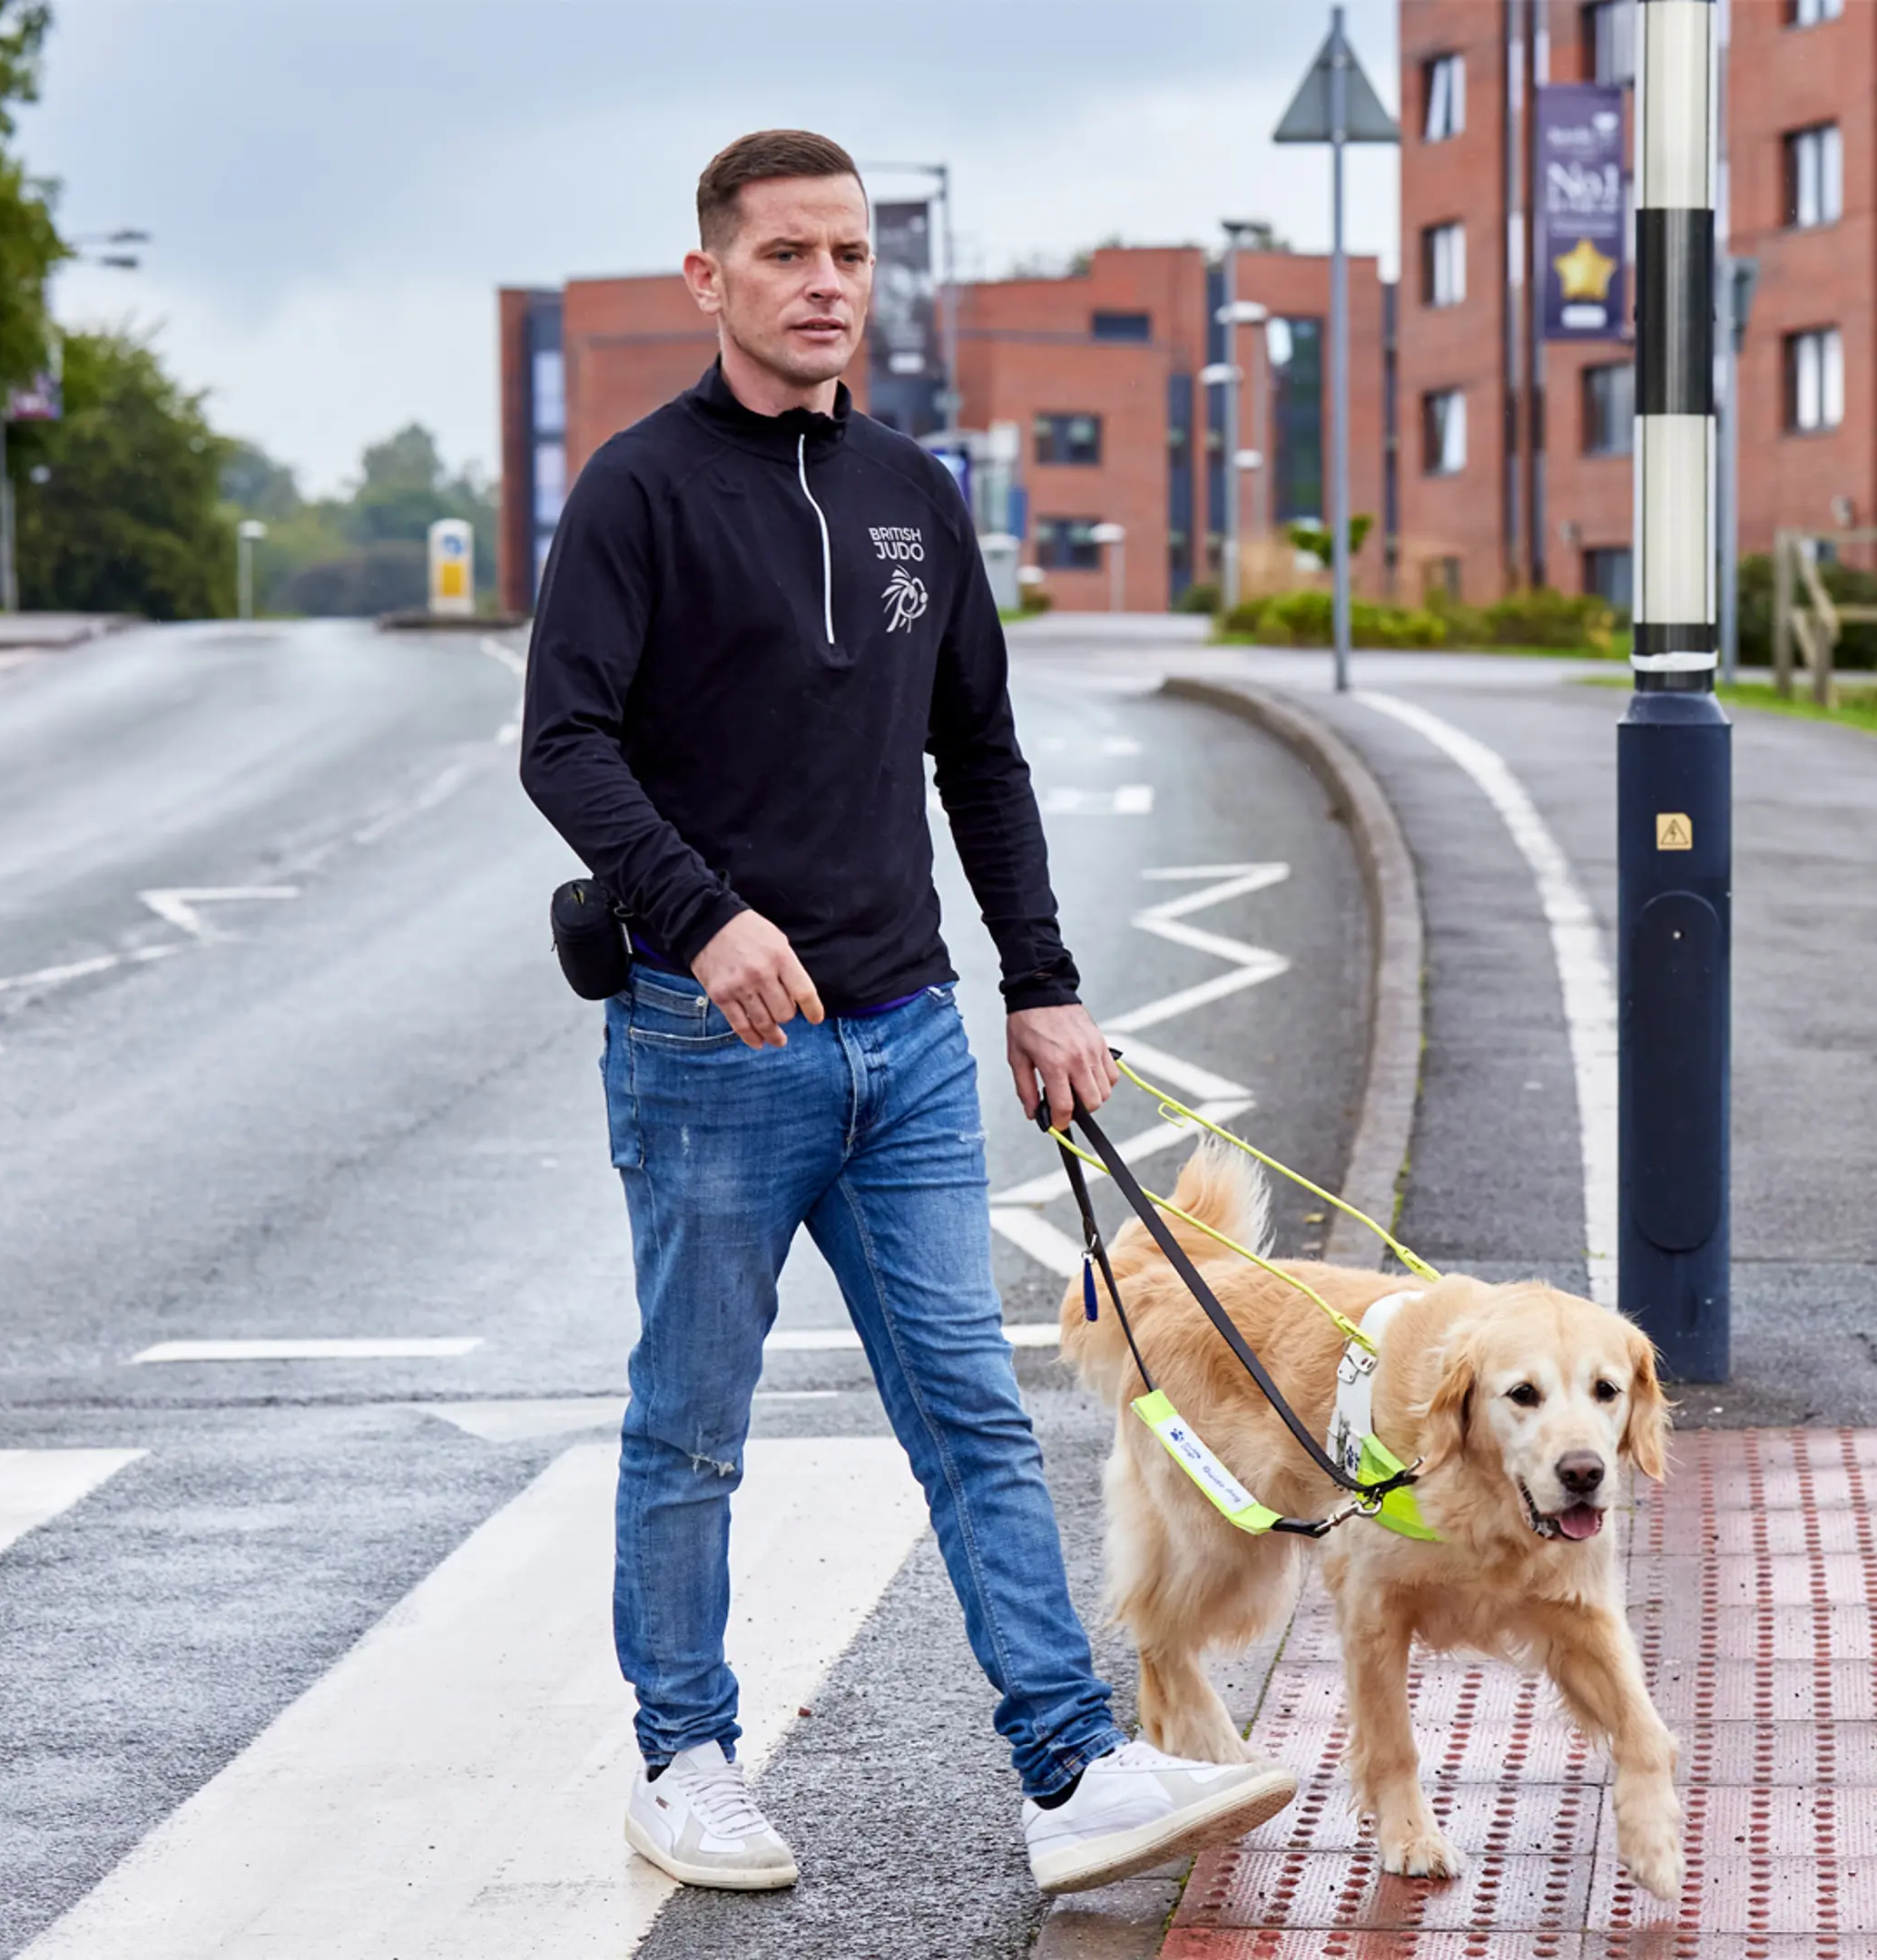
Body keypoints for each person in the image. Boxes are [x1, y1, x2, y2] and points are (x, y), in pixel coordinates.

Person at [520, 128, 1296, 1899]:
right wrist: (705, 921)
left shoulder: (913, 491)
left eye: (851, 256)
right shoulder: (639, 496)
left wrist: (1042, 980)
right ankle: (687, 1757)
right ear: (707, 278)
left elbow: (981, 753)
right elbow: (562, 743)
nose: (824, 285)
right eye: (786, 254)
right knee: (693, 1422)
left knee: (973, 1411)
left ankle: (1072, 1767)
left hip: (911, 1042)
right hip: (710, 1047)